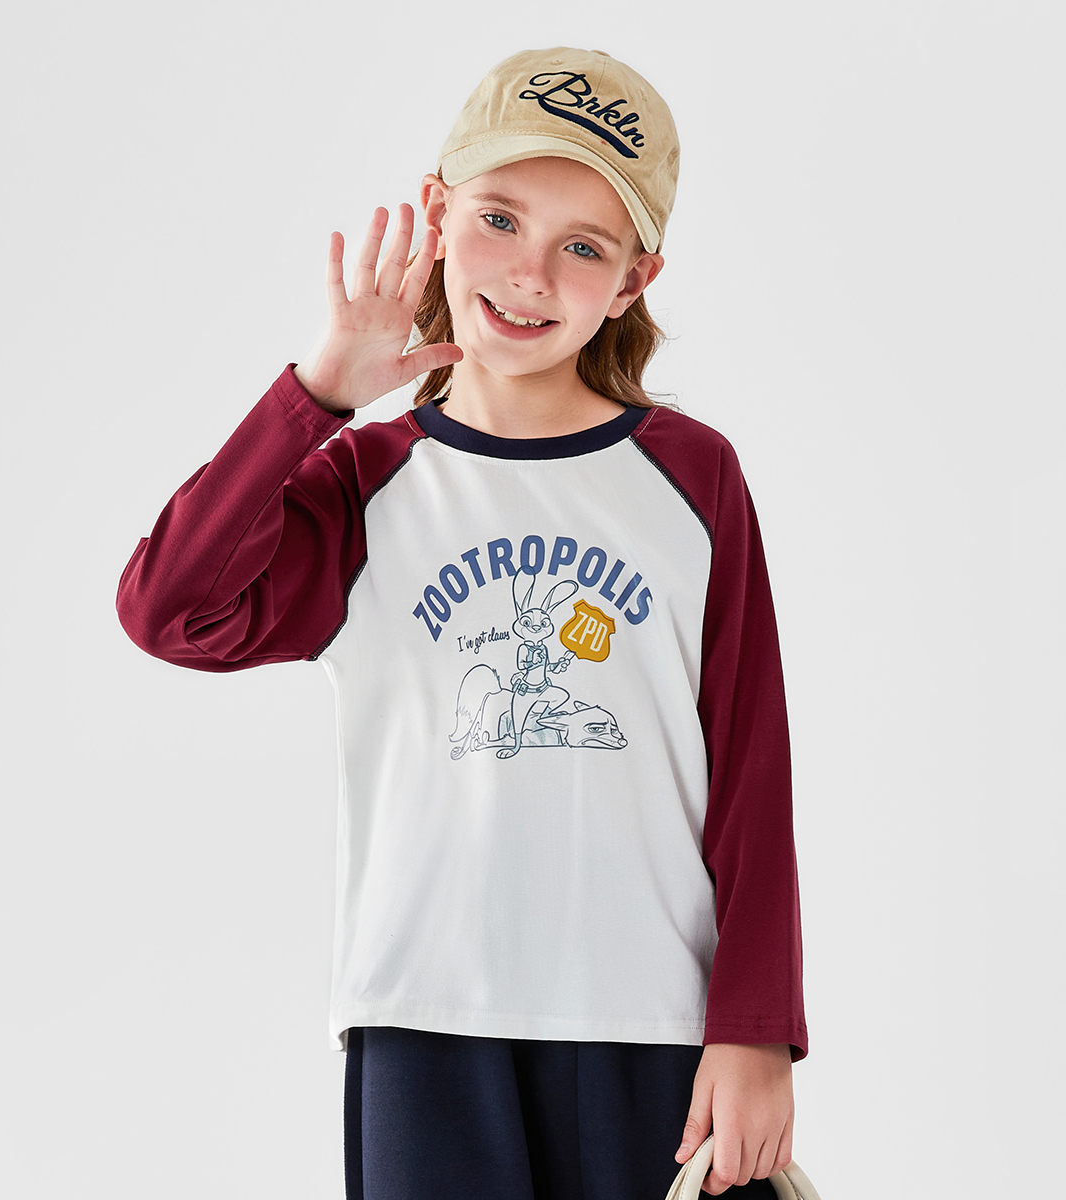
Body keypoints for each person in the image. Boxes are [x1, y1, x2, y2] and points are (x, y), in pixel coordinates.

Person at [117, 46, 807, 1200]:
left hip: (652, 1029)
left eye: (583, 247)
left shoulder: (693, 479)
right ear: (436, 214)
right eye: (500, 219)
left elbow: (750, 763)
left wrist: (758, 1028)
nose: (530, 274)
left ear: (633, 281)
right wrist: (320, 395)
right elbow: (169, 609)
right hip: (424, 1025)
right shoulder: (364, 483)